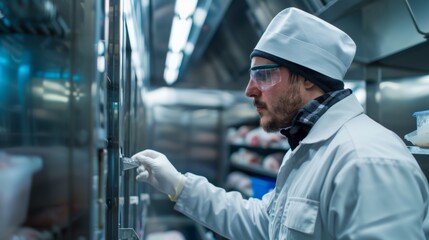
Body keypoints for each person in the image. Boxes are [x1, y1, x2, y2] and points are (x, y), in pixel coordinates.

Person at [133, 7, 429, 239]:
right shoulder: (306, 148)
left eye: (263, 75)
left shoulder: (367, 161)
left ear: (308, 80)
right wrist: (179, 185)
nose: (249, 90)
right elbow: (266, 224)